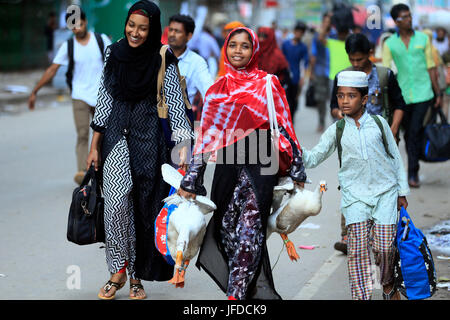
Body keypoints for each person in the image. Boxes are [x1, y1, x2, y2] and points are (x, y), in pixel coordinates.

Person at [178, 27, 307, 300]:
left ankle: (234, 296)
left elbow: (284, 125)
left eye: (244, 46)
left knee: (250, 228)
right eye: (233, 45)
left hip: (261, 161)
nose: (238, 50)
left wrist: (297, 165)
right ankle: (246, 290)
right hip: (228, 162)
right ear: (226, 48)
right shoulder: (216, 91)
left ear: (254, 50)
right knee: (226, 230)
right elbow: (207, 138)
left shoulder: (267, 84)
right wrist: (192, 177)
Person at [86, 0, 193, 300]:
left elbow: (175, 106)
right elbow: (104, 99)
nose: (135, 32)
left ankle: (136, 276)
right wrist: (94, 145)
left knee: (144, 208)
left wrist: (184, 149)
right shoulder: (114, 53)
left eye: (143, 28)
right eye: (131, 25)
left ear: (153, 29)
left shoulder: (163, 59)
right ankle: (117, 268)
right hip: (115, 138)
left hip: (148, 142)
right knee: (117, 203)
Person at [302, 70, 410, 300]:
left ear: (364, 99)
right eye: (341, 96)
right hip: (354, 198)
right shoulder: (337, 130)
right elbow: (312, 158)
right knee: (357, 251)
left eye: (351, 96)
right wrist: (289, 146)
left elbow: (395, 157)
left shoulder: (380, 124)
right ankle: (361, 297)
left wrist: (402, 191)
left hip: (385, 194)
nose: (344, 101)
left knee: (385, 248)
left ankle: (388, 283)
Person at [330, 33, 406, 255]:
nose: (355, 64)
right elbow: (332, 108)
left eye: (360, 59)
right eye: (352, 59)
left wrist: (391, 130)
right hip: (352, 142)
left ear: (370, 54)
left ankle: (379, 232)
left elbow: (400, 105)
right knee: (351, 184)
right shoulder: (342, 77)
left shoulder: (385, 75)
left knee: (383, 186)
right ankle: (348, 234)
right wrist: (343, 114)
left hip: (381, 142)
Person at [28, 7, 111, 185]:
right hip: (79, 94)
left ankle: (104, 169)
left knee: (104, 134)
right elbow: (52, 70)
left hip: (102, 96)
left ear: (85, 22)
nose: (77, 28)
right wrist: (35, 91)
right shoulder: (68, 46)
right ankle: (83, 171)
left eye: (79, 24)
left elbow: (114, 63)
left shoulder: (100, 40)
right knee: (82, 134)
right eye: (73, 26)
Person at [382, 3, 442, 188]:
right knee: (408, 134)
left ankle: (412, 173)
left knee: (415, 131)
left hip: (424, 93)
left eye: (409, 16)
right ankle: (409, 170)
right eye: (404, 17)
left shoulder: (423, 39)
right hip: (403, 95)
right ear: (396, 21)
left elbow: (431, 66)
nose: (409, 20)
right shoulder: (390, 43)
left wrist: (437, 92)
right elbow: (386, 71)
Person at [167, 14, 214, 121]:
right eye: (171, 30)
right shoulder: (157, 56)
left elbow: (209, 93)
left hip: (179, 123)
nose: (172, 34)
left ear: (189, 36)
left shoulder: (197, 62)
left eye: (177, 31)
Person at [318, 11, 351, 102]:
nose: (342, 34)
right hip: (334, 78)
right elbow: (321, 37)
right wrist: (328, 22)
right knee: (335, 104)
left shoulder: (351, 43)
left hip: (349, 78)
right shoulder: (332, 42)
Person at [281, 21, 309, 121]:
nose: (299, 34)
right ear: (294, 31)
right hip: (285, 76)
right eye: (298, 31)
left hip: (296, 77)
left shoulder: (303, 47)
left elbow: (305, 63)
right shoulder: (285, 44)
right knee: (284, 100)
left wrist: (303, 78)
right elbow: (281, 59)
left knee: (293, 101)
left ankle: (291, 122)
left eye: (301, 32)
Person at [309, 12, 331, 133]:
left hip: (334, 71)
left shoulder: (334, 35)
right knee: (321, 98)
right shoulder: (317, 36)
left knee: (335, 97)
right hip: (320, 70)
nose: (328, 24)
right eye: (326, 21)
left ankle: (336, 121)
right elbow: (313, 55)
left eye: (329, 21)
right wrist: (311, 72)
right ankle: (321, 121)